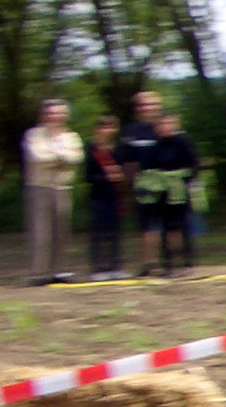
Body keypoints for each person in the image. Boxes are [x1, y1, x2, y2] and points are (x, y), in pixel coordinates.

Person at [22, 98, 83, 285]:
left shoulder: (71, 136)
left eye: (59, 113)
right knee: (41, 233)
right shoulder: (33, 135)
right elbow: (37, 157)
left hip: (62, 188)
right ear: (44, 115)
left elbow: (77, 158)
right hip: (39, 188)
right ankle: (38, 273)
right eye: (51, 113)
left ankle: (61, 271)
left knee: (62, 232)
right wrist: (61, 158)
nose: (55, 117)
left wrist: (55, 157)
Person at [136, 113, 199, 276]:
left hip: (180, 192)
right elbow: (145, 170)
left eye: (168, 124)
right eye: (161, 124)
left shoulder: (183, 144)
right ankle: (168, 263)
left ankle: (186, 261)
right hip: (160, 194)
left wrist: (181, 178)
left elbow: (194, 166)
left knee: (181, 226)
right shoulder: (153, 148)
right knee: (165, 228)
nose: (165, 127)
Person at [119, 91, 165, 274]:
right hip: (143, 184)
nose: (149, 108)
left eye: (153, 104)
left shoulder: (166, 127)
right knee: (146, 227)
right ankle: (148, 264)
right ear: (138, 109)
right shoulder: (131, 131)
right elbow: (127, 161)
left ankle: (170, 263)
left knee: (169, 225)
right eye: (144, 105)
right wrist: (133, 184)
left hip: (167, 182)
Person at [82, 116, 127, 280]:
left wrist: (120, 176)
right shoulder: (91, 148)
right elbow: (88, 176)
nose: (107, 130)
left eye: (110, 127)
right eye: (103, 127)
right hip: (98, 196)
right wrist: (106, 178)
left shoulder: (120, 147)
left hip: (116, 195)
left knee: (116, 232)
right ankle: (98, 269)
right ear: (97, 129)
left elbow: (124, 169)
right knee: (98, 232)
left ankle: (116, 266)